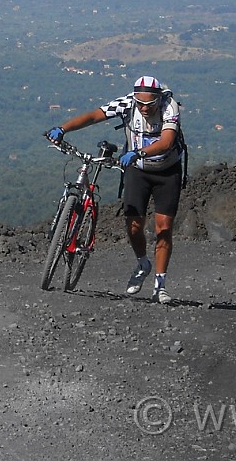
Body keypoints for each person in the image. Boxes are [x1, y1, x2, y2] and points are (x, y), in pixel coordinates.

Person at [46, 76, 184, 304]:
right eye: (140, 103)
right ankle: (142, 263)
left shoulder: (170, 106)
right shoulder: (128, 103)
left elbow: (167, 141)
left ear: (158, 99)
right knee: (133, 224)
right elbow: (93, 116)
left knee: (164, 228)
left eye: (149, 104)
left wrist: (139, 152)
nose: (143, 108)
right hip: (138, 170)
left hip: (166, 171)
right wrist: (63, 128)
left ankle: (160, 286)